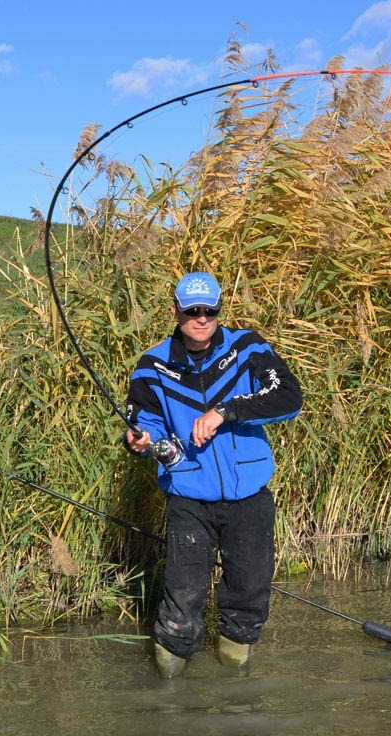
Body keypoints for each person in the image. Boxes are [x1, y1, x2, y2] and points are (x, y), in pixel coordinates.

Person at [125, 271, 303, 677]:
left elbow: (289, 397)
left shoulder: (248, 348)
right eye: (192, 311)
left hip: (249, 497)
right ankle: (170, 694)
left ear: (219, 311)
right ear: (176, 312)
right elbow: (142, 420)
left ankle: (235, 687)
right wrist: (139, 439)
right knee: (181, 601)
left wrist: (226, 411)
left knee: (249, 594)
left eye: (209, 310)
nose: (201, 318)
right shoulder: (152, 366)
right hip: (188, 497)